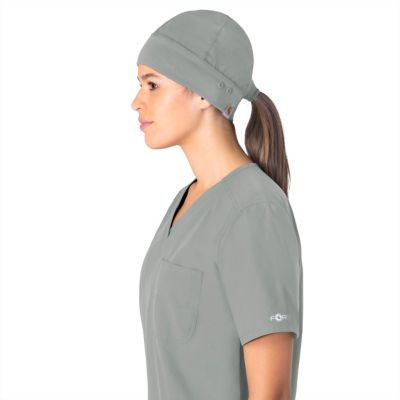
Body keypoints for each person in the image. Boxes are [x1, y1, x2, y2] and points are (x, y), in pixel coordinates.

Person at [131, 9, 303, 400]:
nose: (136, 102)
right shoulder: (185, 202)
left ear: (205, 91)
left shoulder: (254, 210)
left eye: (152, 85)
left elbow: (272, 393)